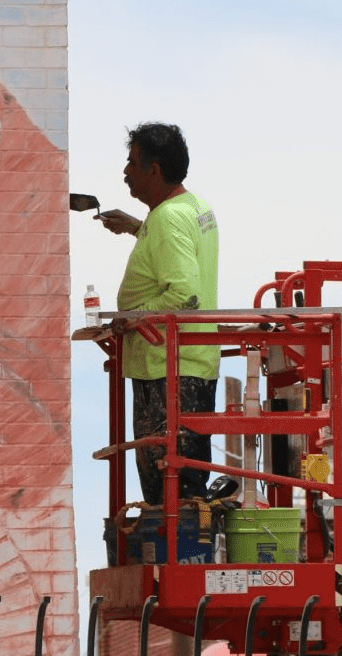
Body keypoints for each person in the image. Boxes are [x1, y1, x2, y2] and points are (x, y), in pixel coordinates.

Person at [98, 122, 219, 506]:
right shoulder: (192, 208)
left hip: (166, 369)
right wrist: (139, 229)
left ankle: (179, 560)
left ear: (154, 169)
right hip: (190, 363)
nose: (125, 172)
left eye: (132, 162)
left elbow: (185, 295)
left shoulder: (166, 218)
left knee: (169, 490)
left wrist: (131, 318)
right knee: (188, 486)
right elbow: (176, 254)